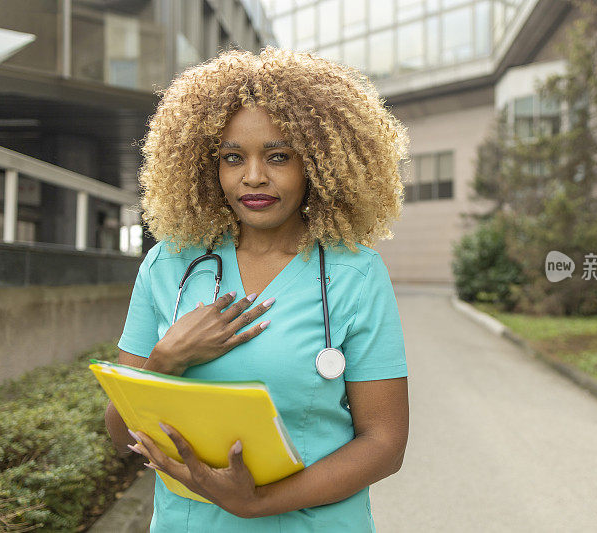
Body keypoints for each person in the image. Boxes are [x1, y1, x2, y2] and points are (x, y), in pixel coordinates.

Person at [104, 46, 410, 532]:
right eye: (232, 157)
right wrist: (165, 362)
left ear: (318, 163)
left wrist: (256, 504)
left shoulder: (354, 274)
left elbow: (384, 443)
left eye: (278, 156)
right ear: (208, 166)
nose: (253, 177)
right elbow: (123, 436)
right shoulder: (169, 263)